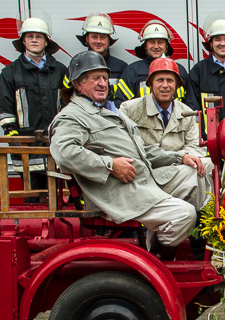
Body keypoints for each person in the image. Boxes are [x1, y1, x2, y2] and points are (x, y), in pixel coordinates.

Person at [49, 51, 207, 259]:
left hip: (143, 180)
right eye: (95, 78)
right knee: (184, 215)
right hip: (122, 191)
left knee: (199, 171)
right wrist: (110, 165)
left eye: (105, 78)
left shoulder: (106, 111)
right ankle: (159, 259)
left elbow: (141, 150)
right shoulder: (73, 116)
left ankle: (200, 249)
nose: (102, 83)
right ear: (78, 84)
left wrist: (179, 158)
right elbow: (64, 152)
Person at [119, 56, 211, 212]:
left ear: (177, 85)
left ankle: (199, 223)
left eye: (170, 81)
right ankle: (197, 223)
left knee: (207, 164)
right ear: (150, 84)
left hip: (177, 172)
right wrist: (179, 157)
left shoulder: (186, 113)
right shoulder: (129, 109)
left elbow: (197, 147)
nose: (165, 86)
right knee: (194, 173)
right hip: (145, 173)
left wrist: (179, 159)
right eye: (159, 80)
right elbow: (125, 147)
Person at [0, 14, 68, 203]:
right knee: (33, 200)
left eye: (39, 36)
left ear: (46, 41)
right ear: (23, 41)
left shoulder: (60, 70)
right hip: (26, 148)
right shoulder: (10, 73)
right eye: (30, 36)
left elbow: (70, 104)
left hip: (56, 144)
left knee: (61, 199)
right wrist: (14, 137)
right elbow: (3, 107)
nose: (34, 40)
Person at [185, 12, 225, 119]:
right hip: (208, 135)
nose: (223, 43)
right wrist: (200, 134)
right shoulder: (199, 71)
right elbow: (192, 107)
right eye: (217, 39)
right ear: (210, 43)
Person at [115, 20, 189, 106]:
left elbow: (189, 103)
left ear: (167, 46)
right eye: (152, 42)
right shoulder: (132, 71)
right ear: (145, 46)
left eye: (160, 42)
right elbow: (121, 104)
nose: (156, 46)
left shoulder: (180, 70)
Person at [76, 13, 127, 105]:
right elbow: (67, 98)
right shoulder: (77, 65)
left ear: (109, 40)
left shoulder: (122, 67)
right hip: (83, 117)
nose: (98, 41)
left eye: (102, 37)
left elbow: (125, 101)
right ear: (87, 38)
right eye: (94, 37)